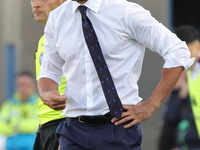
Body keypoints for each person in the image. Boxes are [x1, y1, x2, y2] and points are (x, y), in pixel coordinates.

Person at [37, 0, 194, 149]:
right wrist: (47, 92)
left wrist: (151, 105)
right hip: (73, 129)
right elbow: (49, 71)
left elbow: (178, 52)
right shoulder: (56, 19)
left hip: (118, 127)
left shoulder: (126, 12)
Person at [31, 0, 66, 149]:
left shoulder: (73, 35)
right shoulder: (43, 40)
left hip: (66, 124)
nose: (36, 4)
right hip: (45, 127)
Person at [158, 25, 200, 150]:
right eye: (181, 54)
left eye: (188, 52)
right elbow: (170, 119)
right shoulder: (184, 74)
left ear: (198, 47)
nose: (186, 59)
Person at [0, 71, 39, 150]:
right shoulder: (9, 105)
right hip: (10, 146)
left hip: (31, 146)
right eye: (20, 85)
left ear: (33, 86)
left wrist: (14, 125)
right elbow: (1, 126)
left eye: (26, 85)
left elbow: (35, 126)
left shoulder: (40, 104)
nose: (23, 88)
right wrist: (21, 126)